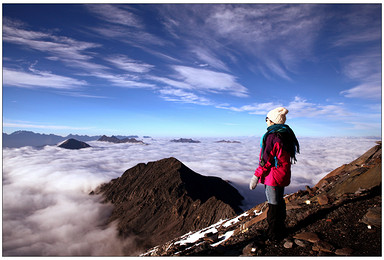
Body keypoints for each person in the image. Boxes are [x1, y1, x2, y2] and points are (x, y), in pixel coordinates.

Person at [249, 107, 299, 241]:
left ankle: (273, 235)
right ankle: (280, 229)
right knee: (279, 202)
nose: (266, 121)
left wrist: (256, 176)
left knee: (273, 205)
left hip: (273, 176)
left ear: (272, 121)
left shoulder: (272, 136)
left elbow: (266, 160)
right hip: (283, 174)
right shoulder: (286, 134)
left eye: (267, 119)